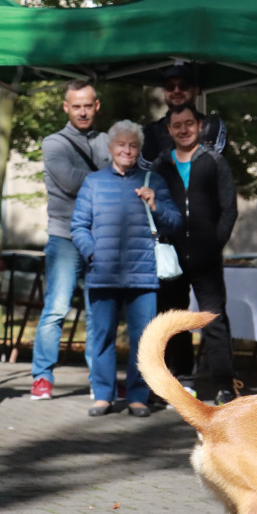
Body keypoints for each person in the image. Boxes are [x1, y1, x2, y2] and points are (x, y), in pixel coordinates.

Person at [71, 120, 181, 418]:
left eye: (133, 145)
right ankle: (103, 395)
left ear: (139, 149)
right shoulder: (93, 182)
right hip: (103, 274)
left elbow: (175, 222)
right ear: (110, 148)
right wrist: (92, 252)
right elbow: (78, 225)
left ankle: (137, 397)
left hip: (143, 275)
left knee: (143, 340)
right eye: (121, 145)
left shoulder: (153, 180)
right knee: (102, 336)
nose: (127, 150)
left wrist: (155, 204)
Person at [151, 104, 238, 405]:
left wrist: (215, 242)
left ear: (199, 126)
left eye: (189, 123)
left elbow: (229, 209)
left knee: (214, 320)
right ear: (169, 130)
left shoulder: (214, 162)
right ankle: (183, 380)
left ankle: (225, 386)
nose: (184, 129)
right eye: (177, 125)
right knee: (175, 321)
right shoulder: (160, 166)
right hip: (171, 258)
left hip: (207, 257)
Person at [30, 80, 111, 400]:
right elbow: (71, 181)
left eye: (87, 105)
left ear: (97, 106)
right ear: (65, 107)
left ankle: (100, 380)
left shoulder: (109, 140)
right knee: (56, 309)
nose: (82, 111)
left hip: (101, 238)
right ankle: (42, 377)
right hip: (64, 237)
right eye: (75, 105)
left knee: (98, 312)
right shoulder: (53, 143)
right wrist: (113, 176)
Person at [139, 62, 227, 171]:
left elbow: (207, 162)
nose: (176, 90)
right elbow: (147, 169)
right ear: (164, 91)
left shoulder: (211, 124)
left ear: (196, 90)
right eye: (170, 87)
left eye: (183, 86)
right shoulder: (149, 130)